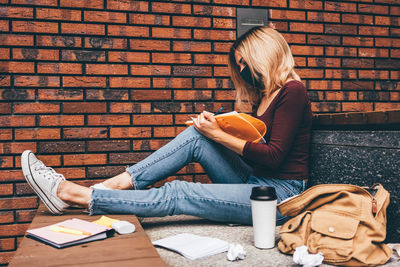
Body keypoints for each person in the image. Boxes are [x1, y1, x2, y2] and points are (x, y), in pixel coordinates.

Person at [21, 26, 312, 225]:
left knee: (181, 192)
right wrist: (220, 129)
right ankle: (111, 186)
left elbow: (274, 156)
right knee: (196, 137)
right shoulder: (264, 95)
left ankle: (73, 194)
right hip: (254, 182)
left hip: (280, 196)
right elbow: (255, 149)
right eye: (239, 67)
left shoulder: (292, 91)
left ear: (264, 55)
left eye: (245, 64)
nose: (244, 72)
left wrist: (220, 135)